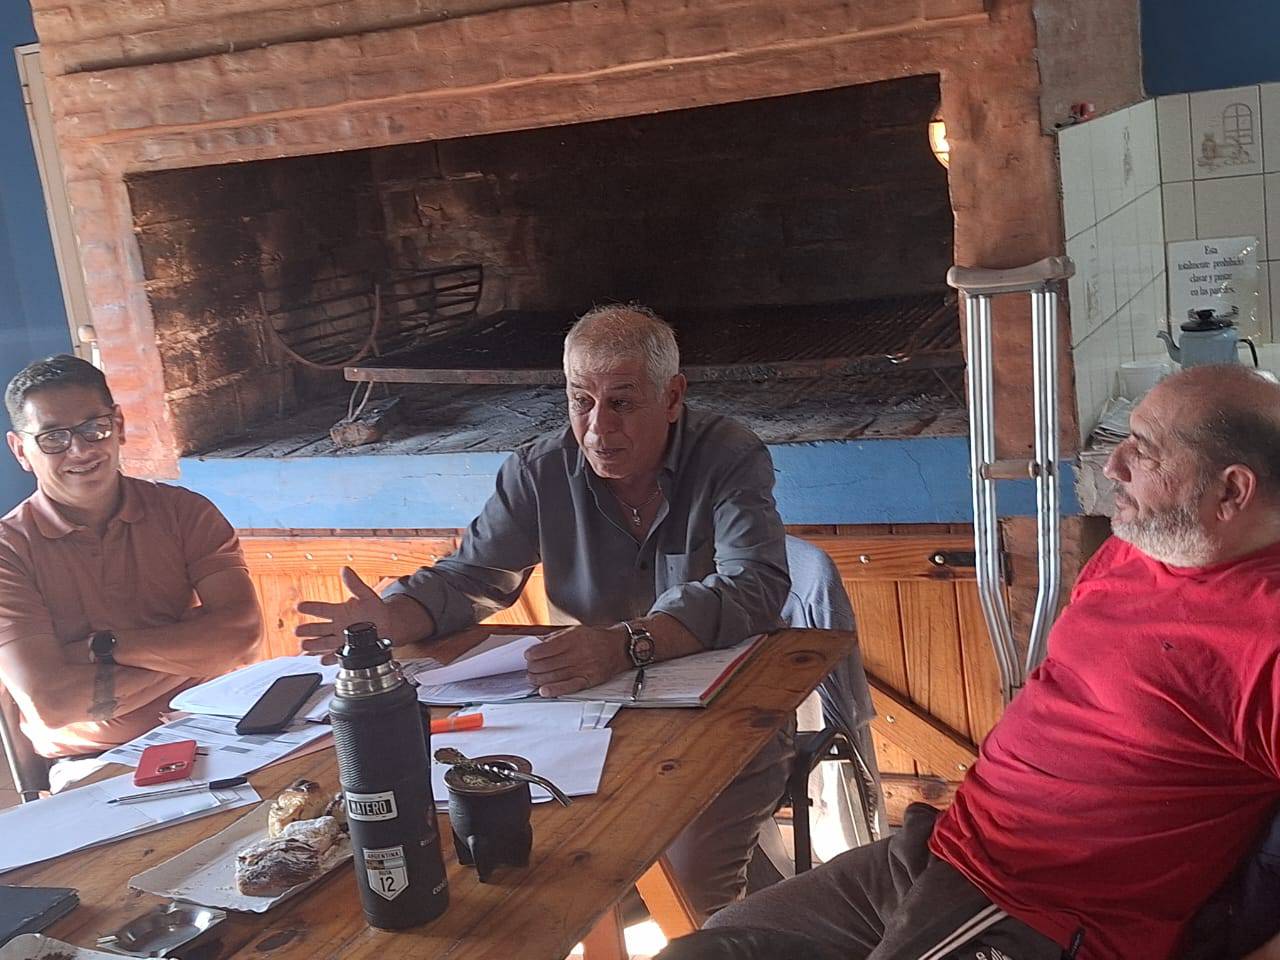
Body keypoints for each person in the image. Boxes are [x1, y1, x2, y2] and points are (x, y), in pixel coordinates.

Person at [658, 364, 1280, 960]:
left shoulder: (1265, 637)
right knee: (722, 938)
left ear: (1231, 490)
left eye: (1144, 451)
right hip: (944, 847)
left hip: (1040, 914)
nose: (1113, 464)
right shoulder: (1141, 548)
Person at [295, 304, 792, 914]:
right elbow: (472, 575)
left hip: (730, 715)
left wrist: (629, 642)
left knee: (688, 894)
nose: (598, 428)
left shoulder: (728, 454)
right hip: (588, 717)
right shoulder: (539, 470)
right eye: (581, 401)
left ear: (672, 398)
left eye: (622, 403)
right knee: (525, 870)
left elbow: (754, 585)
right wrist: (399, 616)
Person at [0, 355, 262, 764]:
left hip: (214, 730)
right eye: (53, 437)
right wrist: (197, 654)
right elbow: (51, 703)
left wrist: (101, 648)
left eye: (94, 428)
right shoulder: (9, 551)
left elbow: (243, 638)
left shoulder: (185, 512)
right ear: (21, 450)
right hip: (94, 760)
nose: (80, 450)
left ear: (118, 426)